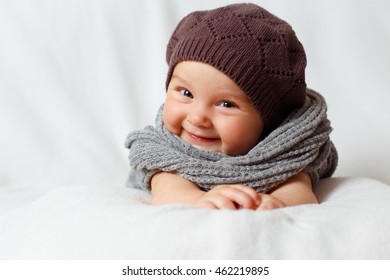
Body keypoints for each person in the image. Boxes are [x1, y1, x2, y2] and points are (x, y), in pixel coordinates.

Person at [125, 3, 338, 211]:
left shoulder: (288, 156)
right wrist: (200, 199)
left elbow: (298, 191)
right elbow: (169, 193)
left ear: (268, 120)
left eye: (226, 104)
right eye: (186, 93)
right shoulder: (163, 153)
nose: (198, 118)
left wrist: (274, 204)